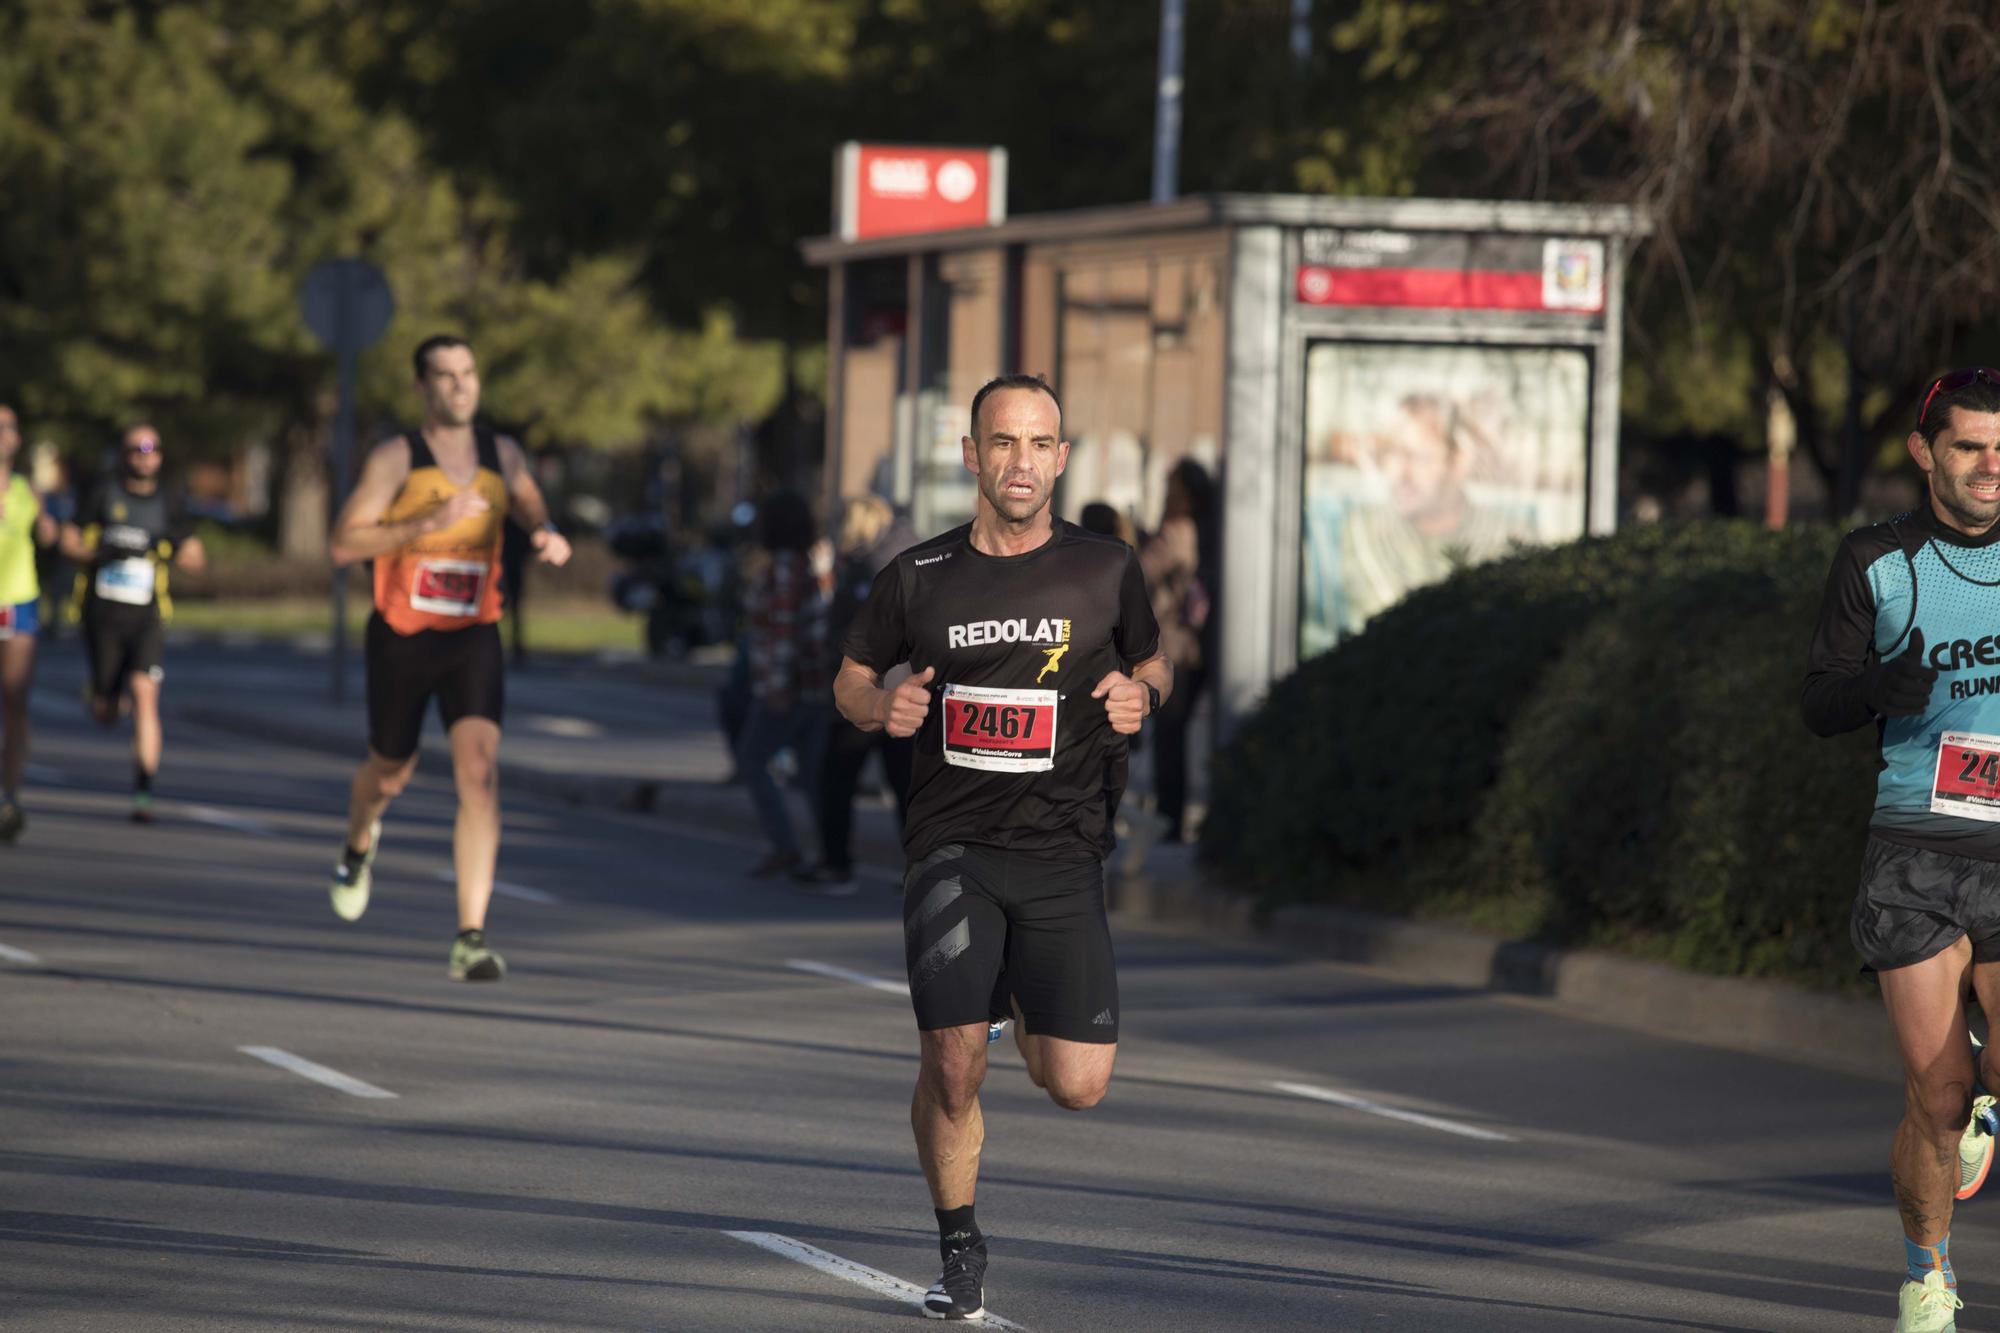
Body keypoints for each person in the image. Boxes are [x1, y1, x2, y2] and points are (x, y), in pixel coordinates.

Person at [834, 373, 1170, 1320]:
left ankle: (1013, 992)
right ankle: (959, 1243)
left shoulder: (1107, 569)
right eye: (1003, 442)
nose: (1021, 461)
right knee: (952, 1060)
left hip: (1066, 849)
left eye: (1039, 444)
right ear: (971, 455)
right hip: (954, 846)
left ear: (1061, 458)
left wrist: (1147, 695)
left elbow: (1152, 659)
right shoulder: (919, 575)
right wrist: (881, 706)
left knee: (1078, 1085)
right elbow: (852, 678)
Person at [1804, 367, 2000, 1333]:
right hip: (1915, 848)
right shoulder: (1877, 562)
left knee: (1986, 1086)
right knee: (1937, 1097)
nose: (1992, 466)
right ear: (1927, 452)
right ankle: (1927, 1274)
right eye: (1970, 446)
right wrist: (1884, 686)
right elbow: (1820, 702)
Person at [326, 334, 571, 982]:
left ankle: (470, 935)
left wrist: (542, 530)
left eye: (468, 373)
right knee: (389, 773)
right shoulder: (396, 457)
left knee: (480, 774)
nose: (461, 385)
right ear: (422, 389)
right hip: (403, 636)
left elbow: (525, 495)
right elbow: (343, 544)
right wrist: (424, 524)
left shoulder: (503, 452)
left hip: (473, 634)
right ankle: (357, 844)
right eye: (445, 375)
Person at [60, 423, 206, 823]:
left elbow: (196, 556)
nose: (145, 455)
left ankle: (144, 790)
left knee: (146, 692)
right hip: (102, 614)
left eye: (152, 448)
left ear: (160, 455)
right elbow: (67, 539)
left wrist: (164, 549)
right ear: (124, 454)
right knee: (105, 712)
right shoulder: (104, 491)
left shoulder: (168, 501)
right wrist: (96, 554)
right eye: (136, 448)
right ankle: (105, 694)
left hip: (147, 615)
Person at [792, 494, 917, 893]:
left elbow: (853, 630)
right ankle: (920, 868)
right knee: (906, 784)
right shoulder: (906, 556)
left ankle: (836, 863)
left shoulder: (870, 568)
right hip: (904, 688)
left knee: (837, 776)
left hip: (873, 688)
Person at [1337, 393, 1534, 629]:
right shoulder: (1364, 530)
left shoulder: (1512, 536)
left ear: (1459, 461)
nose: (1399, 474)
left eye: (1416, 457)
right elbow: (1389, 630)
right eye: (1391, 453)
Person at [736, 489, 828, 878]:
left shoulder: (785, 568)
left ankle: (785, 845)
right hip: (812, 686)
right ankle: (829, 852)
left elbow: (785, 631)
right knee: (811, 775)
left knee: (752, 759)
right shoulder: (801, 565)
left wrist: (776, 685)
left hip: (790, 688)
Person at [1140, 459, 1218, 843]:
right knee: (1179, 734)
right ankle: (1176, 815)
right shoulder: (1213, 528)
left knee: (1169, 736)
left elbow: (1139, 572)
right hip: (1202, 648)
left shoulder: (1176, 531)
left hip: (1175, 648)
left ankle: (1169, 818)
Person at [0, 405, 59, 840]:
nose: (4, 434)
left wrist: (51, 528)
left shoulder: (26, 489)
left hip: (17, 600)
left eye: (9, 428)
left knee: (16, 698)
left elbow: (48, 536)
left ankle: (10, 796)